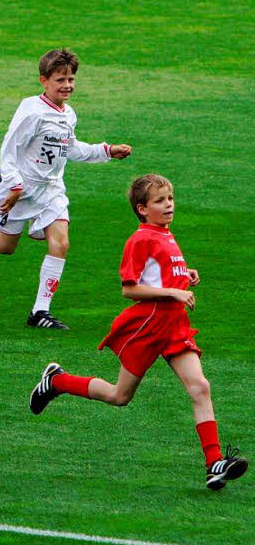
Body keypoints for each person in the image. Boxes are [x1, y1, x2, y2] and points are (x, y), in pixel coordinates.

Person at [29, 174, 247, 490]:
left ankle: (214, 463)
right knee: (120, 396)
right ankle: (57, 381)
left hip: (174, 327)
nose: (169, 205)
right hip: (148, 327)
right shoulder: (141, 239)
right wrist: (173, 293)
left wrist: (185, 275)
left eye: (170, 198)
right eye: (160, 201)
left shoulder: (166, 235)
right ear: (143, 209)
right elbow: (129, 289)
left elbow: (160, 274)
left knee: (200, 386)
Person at [0, 49, 131, 329]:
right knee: (4, 248)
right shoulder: (32, 111)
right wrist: (13, 186)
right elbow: (8, 149)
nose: (67, 85)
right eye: (60, 80)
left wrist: (106, 150)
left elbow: (70, 149)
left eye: (71, 79)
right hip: (21, 186)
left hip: (52, 189)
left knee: (61, 243)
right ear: (44, 81)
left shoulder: (69, 115)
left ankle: (40, 312)